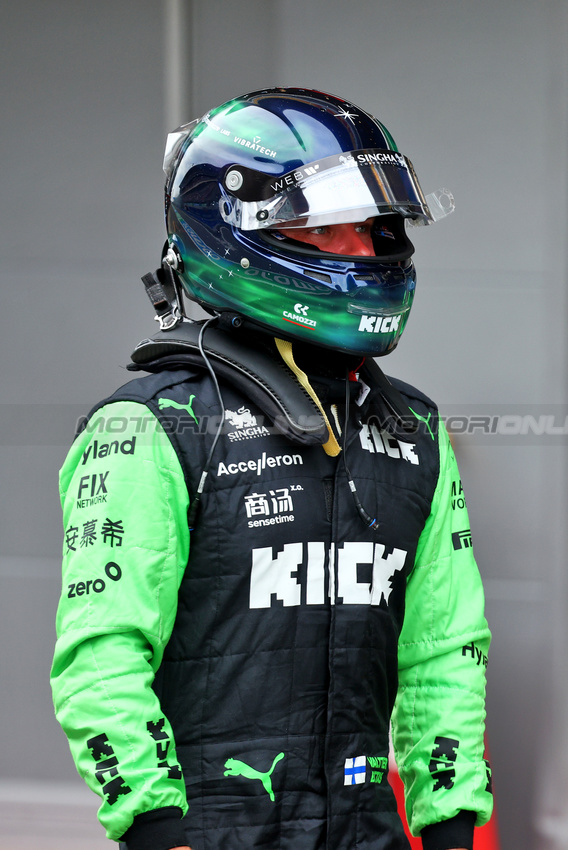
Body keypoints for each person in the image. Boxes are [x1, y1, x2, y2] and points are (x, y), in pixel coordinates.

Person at [51, 88, 492, 850]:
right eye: (332, 232)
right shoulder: (149, 427)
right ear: (238, 237)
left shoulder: (412, 428)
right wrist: (158, 830)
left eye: (376, 228)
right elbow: (101, 662)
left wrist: (450, 827)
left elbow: (445, 654)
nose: (369, 251)